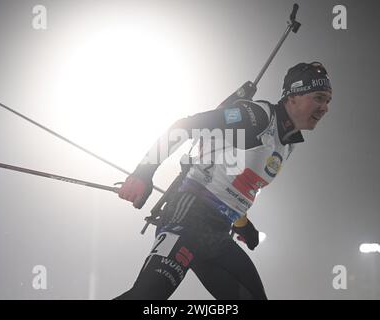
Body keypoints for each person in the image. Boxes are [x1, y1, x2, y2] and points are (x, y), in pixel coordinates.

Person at [114, 62, 332, 300]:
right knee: (147, 298)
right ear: (293, 97)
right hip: (187, 218)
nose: (325, 108)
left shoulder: (286, 142)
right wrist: (143, 173)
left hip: (215, 233)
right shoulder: (256, 117)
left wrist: (242, 224)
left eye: (328, 101)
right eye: (319, 98)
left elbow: (229, 180)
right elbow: (185, 127)